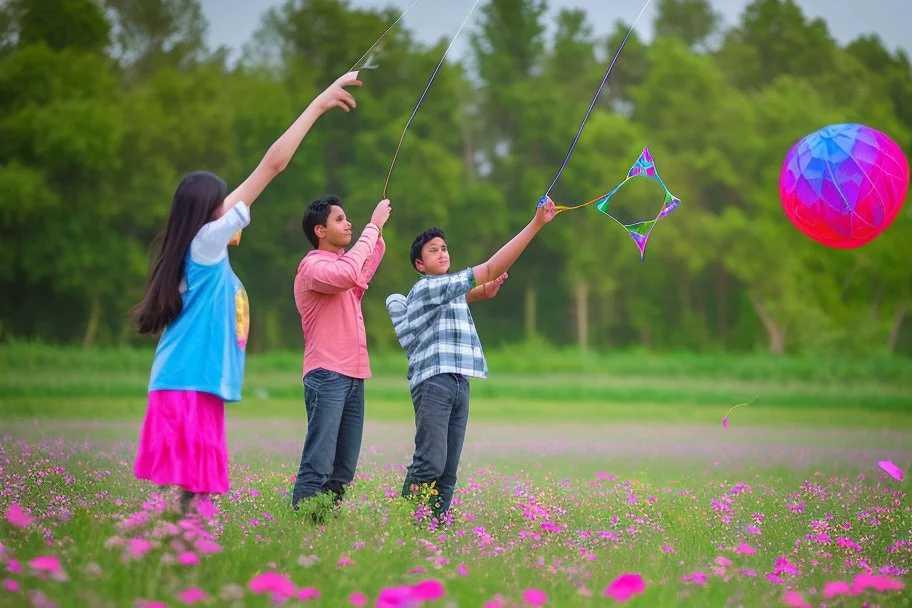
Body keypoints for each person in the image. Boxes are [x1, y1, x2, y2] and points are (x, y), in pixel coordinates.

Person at [131, 72, 363, 513]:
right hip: (187, 380)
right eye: (223, 203)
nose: (232, 209)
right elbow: (272, 166)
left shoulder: (197, 246)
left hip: (192, 380)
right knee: (182, 493)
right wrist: (317, 105)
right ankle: (165, 551)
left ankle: (178, 554)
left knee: (188, 494)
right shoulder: (206, 242)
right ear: (207, 212)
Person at [386, 197, 558, 520]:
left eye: (444, 248)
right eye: (433, 250)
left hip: (459, 382)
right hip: (435, 383)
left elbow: (466, 293)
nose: (442, 253)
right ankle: (401, 522)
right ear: (419, 265)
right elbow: (491, 268)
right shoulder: (426, 288)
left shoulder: (447, 292)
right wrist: (536, 224)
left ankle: (431, 532)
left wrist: (483, 291)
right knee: (431, 462)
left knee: (448, 472)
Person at [290, 195, 391, 513]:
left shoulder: (342, 266)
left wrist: (378, 233)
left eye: (349, 219)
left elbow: (366, 264)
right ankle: (302, 525)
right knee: (319, 463)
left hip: (354, 375)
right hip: (327, 373)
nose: (348, 223)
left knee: (342, 470)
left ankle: (320, 525)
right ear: (319, 230)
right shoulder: (313, 266)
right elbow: (349, 273)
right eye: (340, 219)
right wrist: (372, 225)